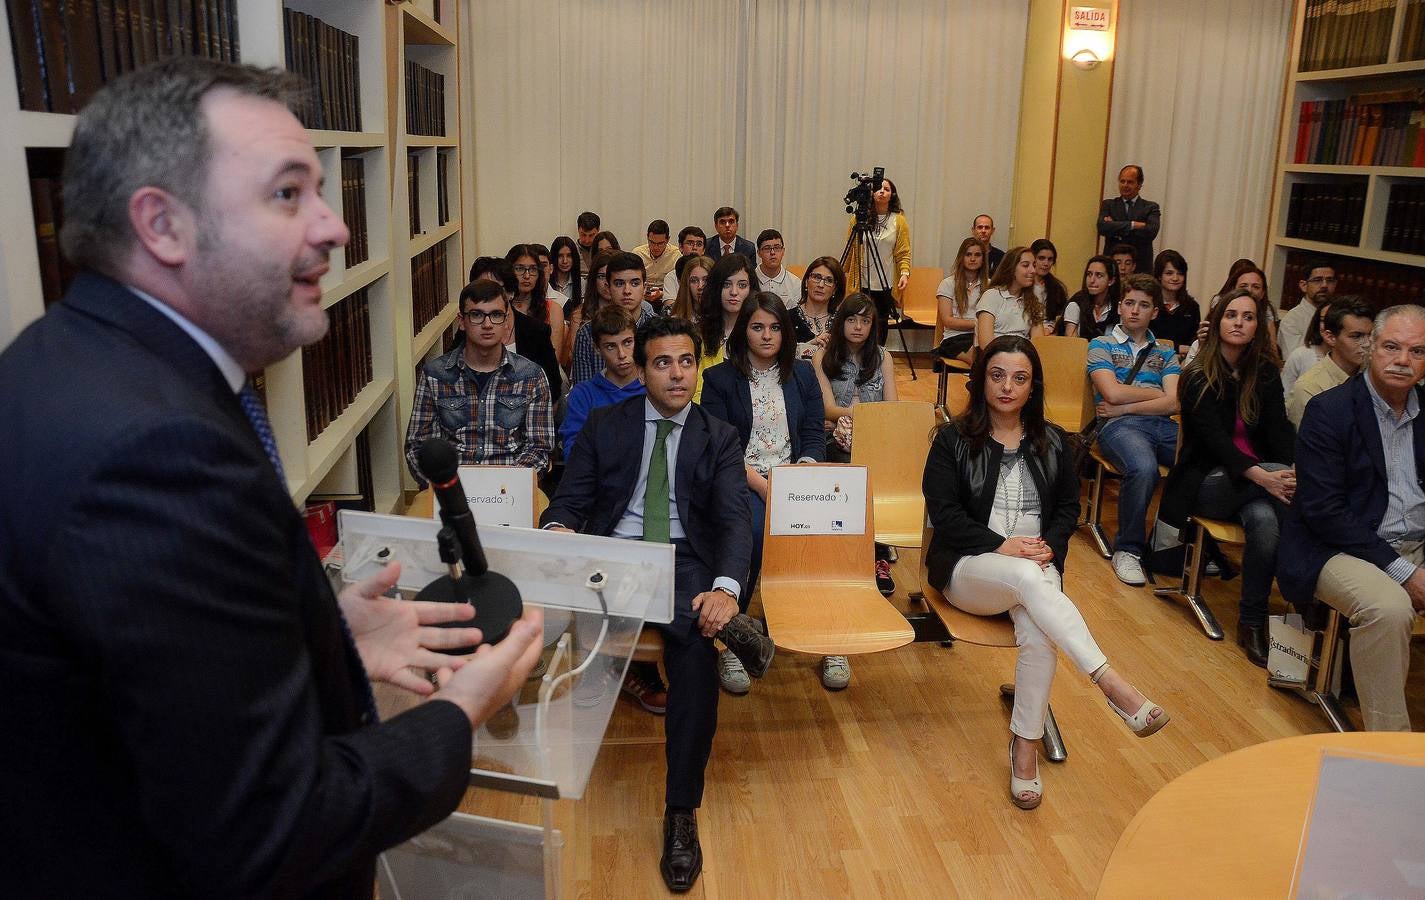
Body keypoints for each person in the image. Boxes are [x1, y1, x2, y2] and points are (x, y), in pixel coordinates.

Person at [0, 59, 544, 896]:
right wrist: (457, 712)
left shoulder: (69, 360)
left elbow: (149, 678)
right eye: (288, 194)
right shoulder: (154, 453)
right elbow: (270, 829)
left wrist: (316, 633)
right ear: (163, 225)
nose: (334, 228)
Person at [541, 316, 771, 891]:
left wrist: (725, 589)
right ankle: (730, 631)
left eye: (686, 361)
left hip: (684, 561)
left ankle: (680, 813)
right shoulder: (604, 423)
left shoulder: (718, 436)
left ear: (698, 366)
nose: (676, 374)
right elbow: (570, 500)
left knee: (693, 651)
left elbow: (733, 522)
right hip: (613, 556)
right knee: (695, 621)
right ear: (642, 370)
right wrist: (558, 527)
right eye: (662, 362)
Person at [922, 336, 1170, 811]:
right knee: (1029, 580)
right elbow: (945, 514)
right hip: (970, 566)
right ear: (980, 381)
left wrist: (1048, 550)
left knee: (1038, 630)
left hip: (1036, 565)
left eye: (1020, 378)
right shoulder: (952, 440)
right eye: (997, 375)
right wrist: (1003, 545)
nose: (1007, 387)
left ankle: (1025, 750)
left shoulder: (1054, 440)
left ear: (1034, 386)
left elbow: (1066, 509)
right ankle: (1112, 684)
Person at [1279, 305, 1425, 732]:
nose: (1403, 360)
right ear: (1369, 348)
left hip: (1415, 541)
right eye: (1392, 347)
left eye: (1417, 351)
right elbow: (1325, 512)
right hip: (1336, 547)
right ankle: (1388, 747)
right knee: (1389, 608)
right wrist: (1406, 573)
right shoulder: (1330, 410)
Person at [1152, 289, 1295, 667]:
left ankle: (1251, 622)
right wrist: (1267, 477)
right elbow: (1216, 445)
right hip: (1207, 484)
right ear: (1217, 322)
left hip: (1253, 488)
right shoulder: (1198, 374)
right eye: (1231, 315)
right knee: (1277, 495)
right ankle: (1302, 598)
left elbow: (1280, 432)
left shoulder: (1264, 373)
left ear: (1257, 326)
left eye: (1248, 317)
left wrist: (1291, 470)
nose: (1239, 323)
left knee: (1266, 523)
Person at [700, 293, 825, 693]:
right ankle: (738, 637)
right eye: (757, 327)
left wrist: (800, 479)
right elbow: (722, 447)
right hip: (742, 478)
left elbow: (812, 435)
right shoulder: (719, 379)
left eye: (774, 327)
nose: (767, 335)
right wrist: (767, 488)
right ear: (744, 331)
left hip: (794, 479)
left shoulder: (802, 375)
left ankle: (828, 637)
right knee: (754, 534)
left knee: (832, 534)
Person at [405, 280, 555, 483]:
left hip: (510, 486)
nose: (487, 324)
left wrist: (507, 488)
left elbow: (539, 447)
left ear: (506, 322)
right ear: (461, 321)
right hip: (450, 486)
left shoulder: (531, 375)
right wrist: (445, 487)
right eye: (476, 315)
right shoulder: (435, 374)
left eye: (496, 315)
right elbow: (418, 446)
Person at [813, 293, 900, 628]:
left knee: (882, 470)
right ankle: (848, 555)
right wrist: (862, 413)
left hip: (874, 438)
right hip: (835, 439)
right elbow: (826, 409)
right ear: (841, 322)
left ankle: (876, 554)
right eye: (852, 319)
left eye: (866, 321)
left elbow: (892, 409)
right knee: (849, 467)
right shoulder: (823, 356)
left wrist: (856, 416)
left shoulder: (883, 358)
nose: (859, 327)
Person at [1088, 274, 1182, 586]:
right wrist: (1156, 396)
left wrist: (1127, 404)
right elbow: (1111, 393)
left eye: (1144, 305)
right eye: (1129, 303)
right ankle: (1128, 549)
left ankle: (1172, 546)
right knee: (1143, 468)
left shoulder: (1165, 352)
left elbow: (1176, 403)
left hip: (1156, 423)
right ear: (1119, 306)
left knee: (1200, 459)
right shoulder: (1100, 344)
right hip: (1119, 427)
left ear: (1154, 312)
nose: (1135, 311)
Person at [469, 255, 563, 402]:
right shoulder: (468, 328)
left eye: (495, 289)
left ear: (510, 293)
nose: (487, 297)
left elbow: (552, 389)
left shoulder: (536, 331)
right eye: (481, 289)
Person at [559, 306, 644, 461]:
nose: (622, 354)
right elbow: (574, 453)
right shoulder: (583, 394)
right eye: (611, 346)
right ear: (597, 349)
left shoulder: (653, 388)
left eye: (627, 342)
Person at [569, 251, 659, 385]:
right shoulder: (588, 332)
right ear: (608, 287)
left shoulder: (659, 329)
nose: (627, 291)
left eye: (634, 283)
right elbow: (584, 390)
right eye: (619, 283)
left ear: (644, 288)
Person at [844, 176, 912, 346]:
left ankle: (877, 358)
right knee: (858, 320)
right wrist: (843, 274)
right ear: (871, 193)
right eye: (878, 188)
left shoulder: (899, 221)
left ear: (892, 195)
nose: (882, 192)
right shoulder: (858, 219)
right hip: (861, 280)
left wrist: (905, 273)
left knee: (880, 323)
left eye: (887, 189)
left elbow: (903, 253)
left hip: (885, 282)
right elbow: (850, 249)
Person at [1286, 297, 1373, 427]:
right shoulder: (1309, 388)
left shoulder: (1374, 374)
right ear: (1330, 337)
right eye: (1356, 336)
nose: (1367, 344)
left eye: (1370, 335)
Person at [693, 253, 759, 401]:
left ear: (751, 289)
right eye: (726, 284)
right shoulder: (698, 334)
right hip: (706, 414)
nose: (734, 292)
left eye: (742, 285)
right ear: (716, 288)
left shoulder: (760, 334)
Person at [506, 242, 565, 373]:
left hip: (541, 375)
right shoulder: (500, 309)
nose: (527, 276)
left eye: (532, 269)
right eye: (520, 269)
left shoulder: (553, 309)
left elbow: (553, 360)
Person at [976, 246, 1048, 350]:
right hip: (995, 357)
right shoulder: (991, 296)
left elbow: (1039, 344)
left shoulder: (1033, 300)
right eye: (1025, 265)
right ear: (1012, 268)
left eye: (1034, 265)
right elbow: (986, 345)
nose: (1033, 270)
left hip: (1023, 358)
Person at [1097, 164, 1160, 273]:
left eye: (1130, 182)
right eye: (1122, 181)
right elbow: (1102, 227)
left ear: (1139, 185)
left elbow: (1151, 232)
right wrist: (1133, 225)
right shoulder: (1109, 205)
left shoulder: (1151, 207)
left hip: (1141, 266)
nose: (1125, 185)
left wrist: (1116, 228)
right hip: (1112, 266)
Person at [935, 237, 988, 360]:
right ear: (961, 257)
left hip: (981, 336)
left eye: (977, 255)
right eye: (968, 254)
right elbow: (947, 321)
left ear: (983, 259)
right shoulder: (948, 284)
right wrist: (978, 324)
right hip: (954, 338)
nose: (973, 259)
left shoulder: (990, 286)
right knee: (979, 355)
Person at [1277, 259, 1337, 358]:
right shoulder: (1292, 320)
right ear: (1304, 285)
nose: (1324, 285)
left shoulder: (1340, 316)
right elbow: (1295, 360)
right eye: (1318, 280)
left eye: (1330, 280)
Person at [793, 255, 845, 359]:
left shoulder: (843, 322)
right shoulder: (787, 318)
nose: (821, 285)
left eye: (829, 280)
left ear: (835, 289)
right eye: (817, 277)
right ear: (807, 281)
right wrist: (809, 345)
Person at [1058, 255, 1120, 340]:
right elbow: (1071, 343)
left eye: (1099, 275)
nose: (1092, 280)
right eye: (1089, 274)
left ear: (1111, 280)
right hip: (1079, 351)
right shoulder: (1076, 304)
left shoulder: (1118, 306)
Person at [1151, 249, 1200, 356]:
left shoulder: (1192, 307)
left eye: (1180, 274)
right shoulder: (1149, 304)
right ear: (1159, 276)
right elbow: (1146, 340)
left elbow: (1194, 342)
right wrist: (1179, 348)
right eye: (1169, 273)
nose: (1175, 278)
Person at [1280, 300, 1331, 397]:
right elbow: (1283, 396)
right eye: (1324, 320)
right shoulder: (1300, 355)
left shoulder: (1352, 360)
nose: (1329, 326)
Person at [634, 219, 678, 309]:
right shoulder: (637, 253)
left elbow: (679, 286)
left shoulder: (676, 255)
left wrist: (662, 294)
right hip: (641, 294)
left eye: (660, 243)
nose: (655, 247)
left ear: (668, 239)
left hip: (666, 294)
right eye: (652, 242)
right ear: (647, 237)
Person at [755, 228, 801, 309]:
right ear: (759, 253)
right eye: (767, 248)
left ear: (783, 251)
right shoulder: (749, 279)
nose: (772, 252)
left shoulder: (795, 284)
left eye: (777, 248)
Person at [1030, 238, 1069, 329]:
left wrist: (1051, 328)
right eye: (1041, 258)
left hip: (1048, 333)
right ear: (1033, 259)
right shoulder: (1022, 284)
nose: (1046, 263)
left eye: (1050, 259)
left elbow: (1059, 317)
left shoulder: (1056, 287)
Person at [663, 225, 708, 298]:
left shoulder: (711, 273)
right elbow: (670, 306)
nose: (694, 248)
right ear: (680, 247)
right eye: (690, 243)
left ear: (704, 250)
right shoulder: (672, 277)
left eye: (699, 244)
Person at [668, 253, 713, 322]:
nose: (700, 286)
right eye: (694, 281)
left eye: (706, 280)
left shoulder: (726, 318)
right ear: (686, 284)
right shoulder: (676, 321)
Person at [549, 234, 583, 306]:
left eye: (569, 256)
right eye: (560, 256)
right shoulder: (546, 283)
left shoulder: (583, 283)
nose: (565, 261)